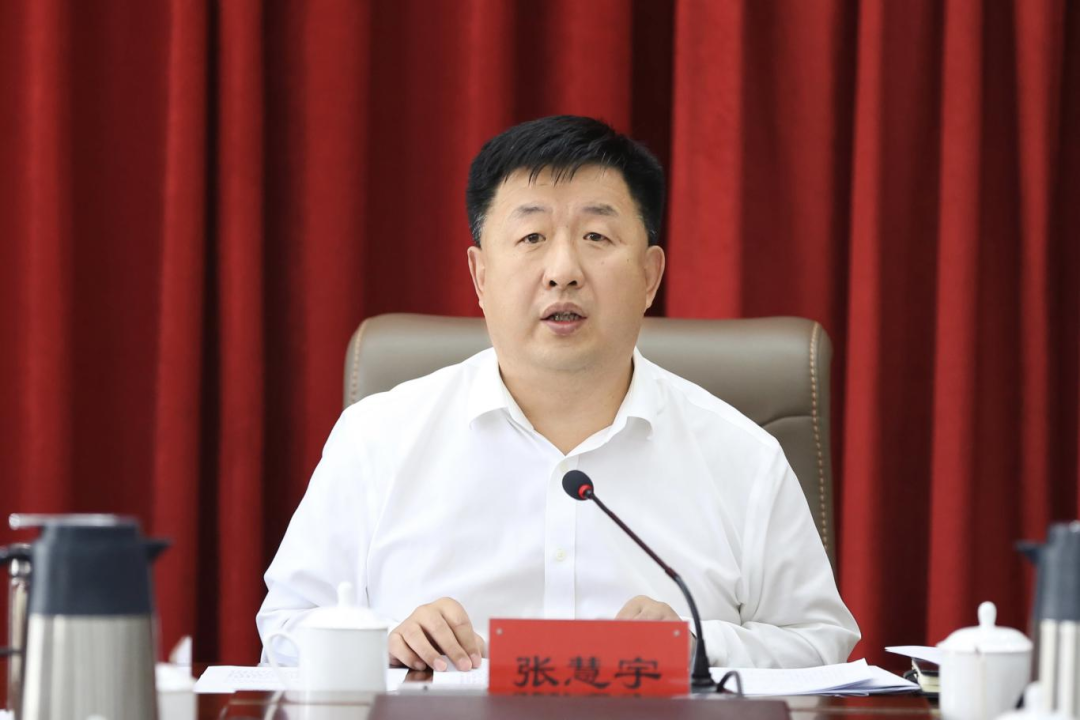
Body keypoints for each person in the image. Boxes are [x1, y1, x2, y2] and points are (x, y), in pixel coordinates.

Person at [256, 115, 860, 671]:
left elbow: (820, 642)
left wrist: (699, 645)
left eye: (596, 236)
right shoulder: (377, 438)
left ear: (650, 276)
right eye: (531, 238)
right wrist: (384, 642)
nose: (563, 270)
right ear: (480, 276)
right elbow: (284, 630)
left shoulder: (742, 457)